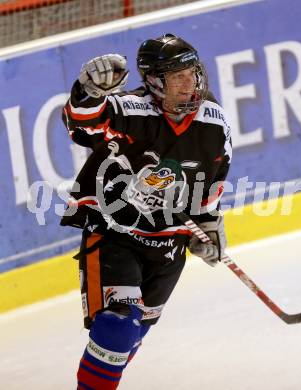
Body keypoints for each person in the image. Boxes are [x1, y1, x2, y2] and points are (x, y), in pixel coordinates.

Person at [61, 33, 232, 389]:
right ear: (155, 82)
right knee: (118, 323)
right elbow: (82, 123)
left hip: (169, 249)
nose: (190, 82)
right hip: (115, 236)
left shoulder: (214, 124)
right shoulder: (132, 111)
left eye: (193, 72)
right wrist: (88, 91)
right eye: (177, 76)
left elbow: (211, 181)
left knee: (131, 337)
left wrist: (208, 224)